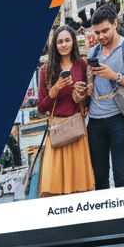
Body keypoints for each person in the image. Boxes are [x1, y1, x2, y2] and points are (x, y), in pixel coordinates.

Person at [86, 4, 124, 191]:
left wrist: (116, 76)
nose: (101, 36)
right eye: (97, 32)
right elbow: (92, 86)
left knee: (121, 177)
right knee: (100, 180)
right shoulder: (93, 52)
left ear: (115, 23)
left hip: (119, 119)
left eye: (105, 30)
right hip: (95, 122)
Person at [37, 24, 94, 197]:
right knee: (53, 189)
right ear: (55, 45)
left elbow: (88, 97)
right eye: (60, 41)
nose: (63, 45)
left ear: (73, 42)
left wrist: (81, 94)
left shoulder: (82, 65)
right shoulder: (46, 71)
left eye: (67, 40)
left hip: (76, 130)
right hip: (57, 132)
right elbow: (41, 108)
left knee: (79, 190)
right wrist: (56, 88)